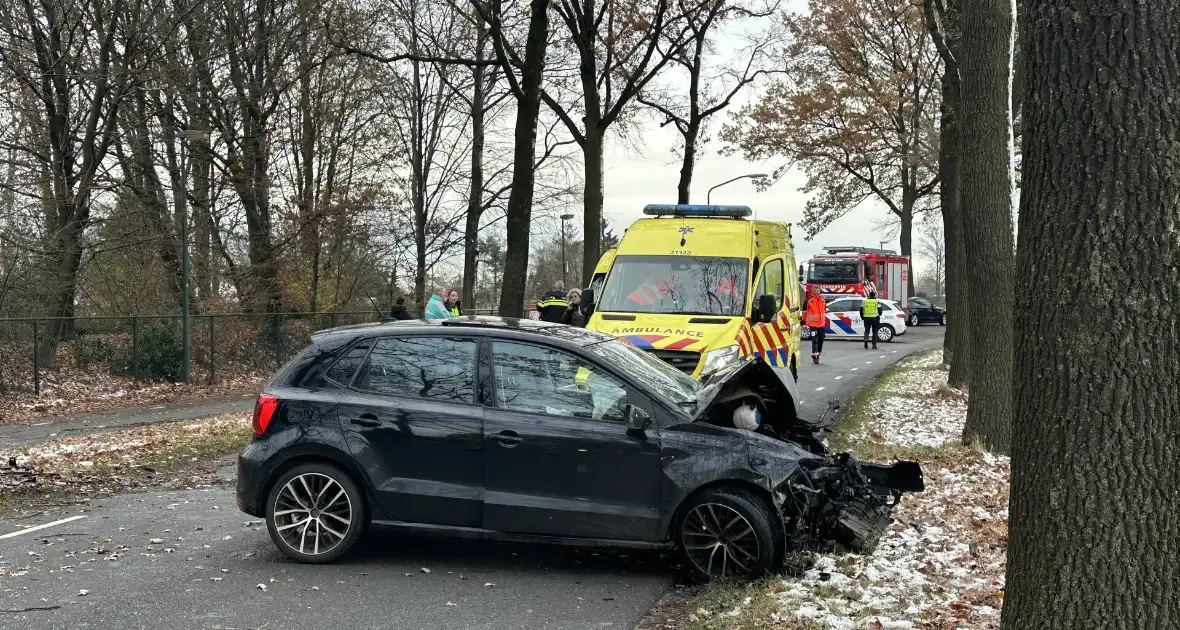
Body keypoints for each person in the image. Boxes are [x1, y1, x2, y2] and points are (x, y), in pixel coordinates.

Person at [803, 286, 828, 364]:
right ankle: (815, 356)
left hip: (821, 324)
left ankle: (818, 353)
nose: (817, 291)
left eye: (818, 290)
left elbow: (824, 310)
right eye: (815, 290)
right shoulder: (808, 300)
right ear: (812, 291)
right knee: (815, 339)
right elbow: (804, 312)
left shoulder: (823, 300)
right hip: (812, 324)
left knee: (821, 338)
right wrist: (803, 322)